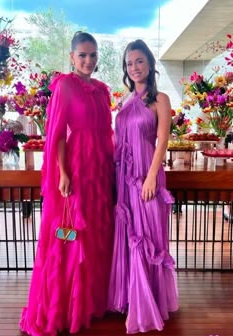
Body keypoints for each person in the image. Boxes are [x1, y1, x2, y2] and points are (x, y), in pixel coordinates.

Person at [20, 31, 114, 335]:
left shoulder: (102, 90)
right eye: (83, 55)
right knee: (69, 235)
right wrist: (62, 172)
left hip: (99, 170)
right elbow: (57, 133)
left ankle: (90, 302)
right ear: (72, 57)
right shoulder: (63, 86)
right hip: (75, 170)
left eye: (93, 55)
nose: (89, 60)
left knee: (96, 233)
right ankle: (64, 308)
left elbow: (108, 134)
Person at [108, 39, 179, 334]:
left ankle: (150, 302)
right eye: (129, 63)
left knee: (148, 236)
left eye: (139, 61)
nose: (134, 67)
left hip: (148, 175)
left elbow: (162, 141)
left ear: (149, 64)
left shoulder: (160, 99)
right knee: (129, 236)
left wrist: (151, 176)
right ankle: (132, 298)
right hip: (124, 177)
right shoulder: (124, 101)